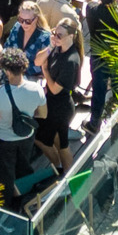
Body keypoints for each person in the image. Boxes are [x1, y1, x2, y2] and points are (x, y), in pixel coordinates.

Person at [0, 51, 48, 207]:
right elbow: (43, 114)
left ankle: (5, 211)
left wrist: (0, 115)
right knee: (24, 170)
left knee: (4, 177)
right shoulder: (36, 89)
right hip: (26, 138)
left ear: (6, 71)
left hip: (3, 141)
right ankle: (25, 203)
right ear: (24, 68)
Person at [38, 18, 84, 171]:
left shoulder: (71, 60)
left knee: (44, 139)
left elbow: (55, 89)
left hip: (60, 108)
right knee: (60, 142)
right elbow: (38, 61)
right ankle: (64, 171)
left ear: (71, 36)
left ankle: (59, 168)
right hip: (52, 104)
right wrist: (51, 45)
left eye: (59, 35)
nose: (55, 38)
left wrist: (45, 72)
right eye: (54, 33)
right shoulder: (57, 48)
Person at [85, 0, 118, 134]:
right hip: (116, 56)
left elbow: (91, 3)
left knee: (98, 90)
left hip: (97, 56)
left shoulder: (91, 9)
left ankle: (94, 122)